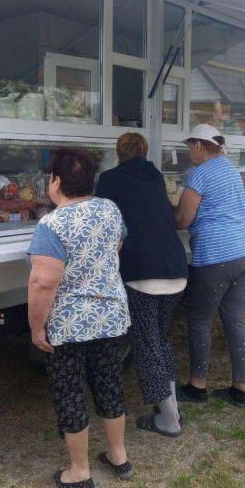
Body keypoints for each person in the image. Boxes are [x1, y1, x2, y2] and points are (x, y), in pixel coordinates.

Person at [27, 148, 132, 488]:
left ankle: (79, 471)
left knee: (71, 392)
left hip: (69, 326)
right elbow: (115, 247)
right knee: (109, 383)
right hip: (110, 318)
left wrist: (36, 327)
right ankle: (118, 456)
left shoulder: (52, 224)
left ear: (56, 181)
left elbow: (43, 281)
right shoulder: (110, 209)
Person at [96, 133, 188, 437]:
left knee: (146, 345)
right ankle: (173, 405)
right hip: (175, 267)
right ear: (145, 151)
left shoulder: (109, 180)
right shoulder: (156, 177)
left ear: (118, 151)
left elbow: (105, 223)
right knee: (159, 340)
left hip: (141, 273)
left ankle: (169, 419)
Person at [174, 124, 245, 407]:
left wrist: (165, 214)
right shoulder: (230, 169)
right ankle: (240, 388)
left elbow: (183, 219)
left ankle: (197, 386)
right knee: (235, 319)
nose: (189, 153)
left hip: (217, 256)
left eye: (189, 147)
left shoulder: (199, 173)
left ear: (199, 145)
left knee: (200, 319)